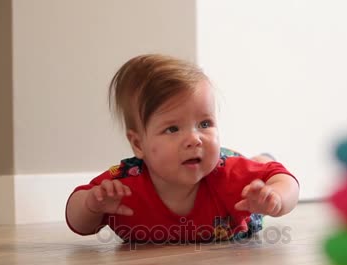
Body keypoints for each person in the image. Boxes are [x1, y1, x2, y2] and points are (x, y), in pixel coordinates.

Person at [65, 54, 299, 243]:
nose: (194, 139)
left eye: (205, 124)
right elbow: (79, 221)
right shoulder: (124, 186)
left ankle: (258, 158)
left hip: (235, 185)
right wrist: (91, 206)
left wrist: (275, 198)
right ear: (138, 144)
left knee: (253, 166)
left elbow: (283, 178)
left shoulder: (231, 176)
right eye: (173, 129)